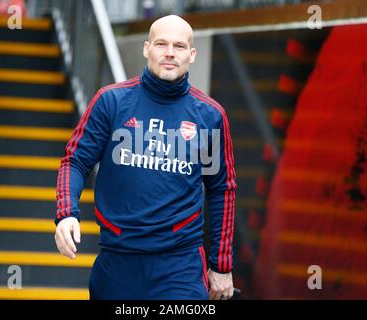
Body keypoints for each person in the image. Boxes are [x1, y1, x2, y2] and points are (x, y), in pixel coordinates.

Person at [54, 15, 237, 300]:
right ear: (146, 48)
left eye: (179, 46)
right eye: (161, 44)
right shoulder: (111, 102)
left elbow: (221, 189)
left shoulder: (210, 116)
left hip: (180, 265)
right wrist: (66, 213)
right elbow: (75, 161)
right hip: (117, 261)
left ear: (191, 54)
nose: (169, 53)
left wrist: (221, 266)